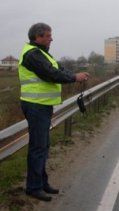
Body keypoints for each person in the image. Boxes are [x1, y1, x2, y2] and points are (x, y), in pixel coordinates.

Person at [18, 22, 89, 201]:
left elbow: (58, 68)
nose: (52, 39)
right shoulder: (32, 54)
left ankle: (42, 183)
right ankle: (33, 187)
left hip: (42, 105)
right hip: (36, 105)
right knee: (38, 147)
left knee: (43, 146)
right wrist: (74, 77)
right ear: (38, 37)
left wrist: (74, 74)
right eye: (48, 36)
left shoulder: (41, 53)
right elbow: (50, 73)